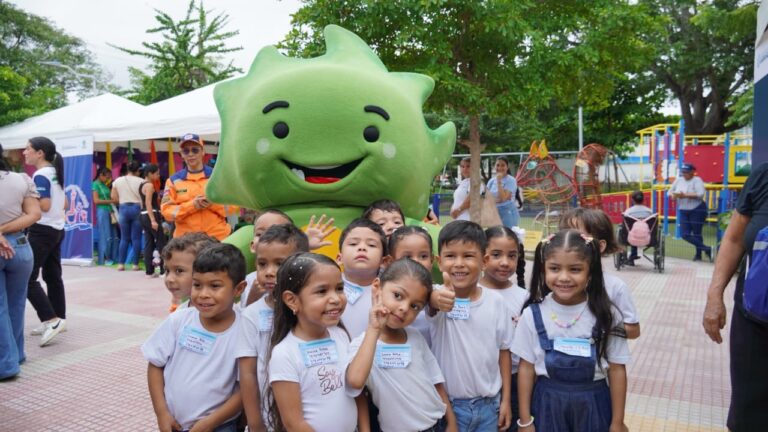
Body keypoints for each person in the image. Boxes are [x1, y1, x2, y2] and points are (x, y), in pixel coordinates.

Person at [513, 229, 630, 432]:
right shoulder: (532, 314)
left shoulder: (607, 314)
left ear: (590, 272)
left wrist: (617, 422)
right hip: (547, 404)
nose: (564, 277)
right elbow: (526, 368)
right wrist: (525, 420)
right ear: (543, 271)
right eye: (555, 268)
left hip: (594, 404)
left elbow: (617, 369)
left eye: (575, 269)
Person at [345, 258, 458, 432]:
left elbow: (435, 381)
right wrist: (374, 329)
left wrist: (451, 422)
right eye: (397, 295)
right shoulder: (362, 345)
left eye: (415, 306)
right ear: (377, 288)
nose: (404, 308)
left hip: (437, 424)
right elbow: (355, 382)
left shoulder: (415, 337)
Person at [143, 243, 246, 432]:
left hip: (220, 426)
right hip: (174, 423)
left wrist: (210, 423)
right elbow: (155, 364)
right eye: (197, 285)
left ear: (238, 289)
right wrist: (162, 413)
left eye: (215, 286)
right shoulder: (179, 321)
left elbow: (245, 389)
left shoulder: (245, 331)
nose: (203, 294)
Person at [427, 220, 513, 431]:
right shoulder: (437, 296)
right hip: (447, 408)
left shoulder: (496, 302)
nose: (458, 263)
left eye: (468, 256)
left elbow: (504, 352)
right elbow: (427, 298)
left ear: (484, 261)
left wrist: (506, 401)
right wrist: (435, 298)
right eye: (450, 256)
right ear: (439, 261)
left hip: (489, 406)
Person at [267, 253, 365, 432]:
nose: (335, 299)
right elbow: (294, 423)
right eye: (322, 291)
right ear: (292, 300)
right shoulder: (285, 354)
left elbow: (356, 394)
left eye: (339, 288)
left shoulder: (340, 336)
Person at [703, 161, 768, 430]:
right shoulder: (764, 175)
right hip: (754, 320)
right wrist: (714, 296)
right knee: (747, 414)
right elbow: (734, 239)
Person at [236, 224, 310, 432]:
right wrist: (255, 421)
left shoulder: (312, 310)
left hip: (311, 415)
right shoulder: (251, 316)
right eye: (262, 264)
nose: (269, 272)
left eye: (279, 263)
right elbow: (248, 373)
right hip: (269, 418)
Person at [559, 208, 641, 339]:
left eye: (577, 238)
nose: (567, 243)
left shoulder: (615, 287)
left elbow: (633, 331)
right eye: (564, 236)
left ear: (600, 246)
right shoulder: (555, 282)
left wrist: (597, 327)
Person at [480, 226, 530, 429]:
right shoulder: (469, 293)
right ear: (483, 257)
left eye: (512, 256)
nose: (505, 262)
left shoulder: (525, 298)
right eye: (496, 255)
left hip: (517, 381)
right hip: (482, 379)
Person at [0, 144, 41, 379]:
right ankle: (16, 355)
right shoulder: (21, 179)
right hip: (21, 246)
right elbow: (34, 214)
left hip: (6, 244)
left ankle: (6, 366)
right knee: (16, 304)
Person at [23, 137, 68, 347]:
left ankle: (51, 319)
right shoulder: (55, 173)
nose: (24, 153)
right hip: (57, 229)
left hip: (43, 230)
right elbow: (65, 203)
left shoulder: (40, 175)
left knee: (28, 278)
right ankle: (58, 318)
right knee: (53, 277)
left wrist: (26, 203)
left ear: (40, 153)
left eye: (28, 149)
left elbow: (46, 205)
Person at [161, 133, 235, 241]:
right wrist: (192, 205)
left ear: (203, 152)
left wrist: (212, 203)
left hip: (217, 238)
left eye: (195, 150)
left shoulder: (217, 177)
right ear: (182, 154)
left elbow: (233, 206)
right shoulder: (173, 181)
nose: (190, 154)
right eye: (186, 151)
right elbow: (167, 212)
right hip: (186, 241)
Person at [338, 218, 388, 338]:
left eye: (371, 245)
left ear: (383, 261)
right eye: (353, 244)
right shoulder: (325, 287)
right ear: (339, 258)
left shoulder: (388, 291)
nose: (362, 248)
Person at [386, 225, 436, 345]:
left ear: (432, 260)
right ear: (390, 262)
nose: (416, 261)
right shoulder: (384, 293)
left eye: (423, 256)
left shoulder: (437, 293)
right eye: (407, 257)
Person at [162, 233, 219, 313]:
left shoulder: (225, 314)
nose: (169, 279)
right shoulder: (181, 312)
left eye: (179, 270)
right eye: (167, 270)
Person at [669, 163, 712, 261]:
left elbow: (700, 194)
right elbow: (670, 192)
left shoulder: (697, 180)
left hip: (697, 209)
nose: (684, 174)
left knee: (697, 233)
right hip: (683, 209)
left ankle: (698, 255)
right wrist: (673, 195)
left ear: (693, 172)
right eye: (683, 172)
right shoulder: (679, 180)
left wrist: (685, 195)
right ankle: (706, 248)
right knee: (684, 234)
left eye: (686, 172)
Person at [111, 160, 144, 271]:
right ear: (137, 171)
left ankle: (121, 264)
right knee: (136, 238)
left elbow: (114, 198)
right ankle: (135, 265)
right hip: (137, 208)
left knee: (124, 238)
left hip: (123, 208)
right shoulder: (142, 181)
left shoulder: (117, 181)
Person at [139, 164, 166, 277]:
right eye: (157, 173)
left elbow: (143, 203)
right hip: (151, 214)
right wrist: (153, 220)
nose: (158, 176)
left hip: (143, 214)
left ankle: (149, 271)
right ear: (150, 174)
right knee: (161, 242)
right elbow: (148, 203)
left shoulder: (141, 185)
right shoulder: (149, 185)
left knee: (148, 243)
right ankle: (163, 270)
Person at [91, 167, 118, 265]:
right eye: (107, 177)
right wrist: (111, 201)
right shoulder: (95, 184)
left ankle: (113, 257)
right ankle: (104, 258)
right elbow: (96, 201)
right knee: (105, 235)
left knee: (113, 235)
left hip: (109, 211)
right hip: (102, 211)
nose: (108, 179)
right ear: (101, 175)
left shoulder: (103, 184)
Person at [487, 157, 520, 228]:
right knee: (494, 235)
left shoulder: (511, 180)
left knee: (508, 235)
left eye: (503, 165)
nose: (500, 168)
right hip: (494, 212)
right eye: (498, 165)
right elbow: (486, 198)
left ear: (507, 167)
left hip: (507, 212)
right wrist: (495, 200)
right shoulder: (491, 181)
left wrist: (499, 181)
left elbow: (503, 198)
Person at [622, 191, 654, 265]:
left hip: (631, 237)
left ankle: (631, 256)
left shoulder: (628, 212)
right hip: (647, 237)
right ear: (643, 199)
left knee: (630, 231)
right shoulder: (649, 212)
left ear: (632, 200)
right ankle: (633, 255)